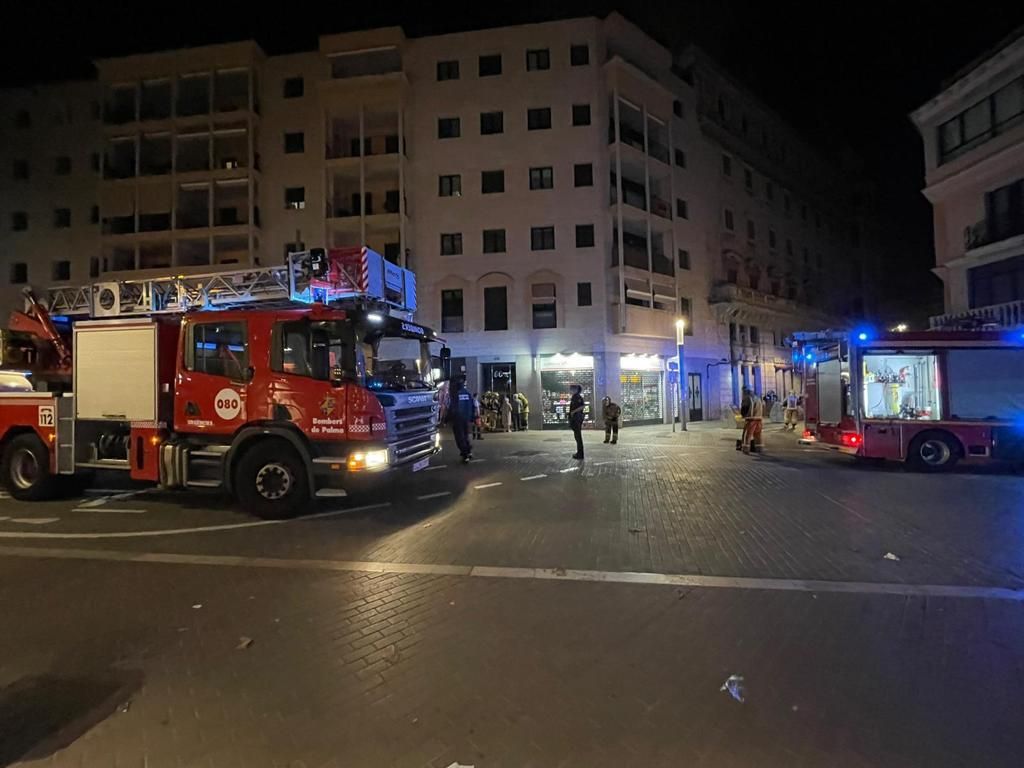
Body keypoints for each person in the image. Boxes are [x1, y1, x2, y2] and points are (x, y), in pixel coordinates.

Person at [449, 378, 475, 463]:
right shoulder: (468, 393)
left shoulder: (455, 394)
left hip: (458, 419)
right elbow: (472, 405)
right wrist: (472, 417)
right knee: (466, 435)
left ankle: (465, 454)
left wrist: (447, 419)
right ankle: (469, 451)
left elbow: (452, 408)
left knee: (460, 437)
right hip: (467, 418)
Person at [569, 384, 586, 459]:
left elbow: (582, 406)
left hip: (577, 418)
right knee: (577, 436)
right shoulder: (575, 397)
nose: (571, 390)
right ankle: (579, 453)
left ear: (576, 389)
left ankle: (580, 454)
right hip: (575, 418)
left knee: (578, 436)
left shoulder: (577, 397)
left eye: (572, 389)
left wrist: (573, 412)